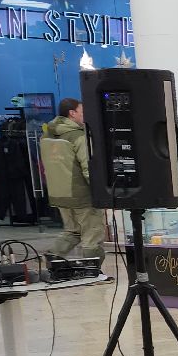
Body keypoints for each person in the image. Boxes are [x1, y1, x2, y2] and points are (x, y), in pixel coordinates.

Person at [41, 98, 103, 259]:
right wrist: (101, 193)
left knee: (73, 231)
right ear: (72, 113)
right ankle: (93, 269)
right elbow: (88, 168)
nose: (85, 115)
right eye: (82, 112)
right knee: (92, 235)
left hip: (60, 195)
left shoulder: (48, 135)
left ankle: (53, 259)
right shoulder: (78, 136)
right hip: (81, 196)